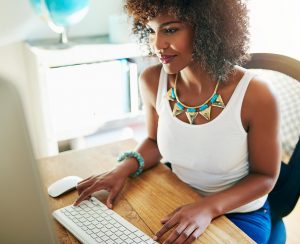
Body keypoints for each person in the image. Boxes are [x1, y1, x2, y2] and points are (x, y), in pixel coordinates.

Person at [75, 0, 281, 243]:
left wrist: (208, 207)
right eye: (152, 30)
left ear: (207, 27)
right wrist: (122, 169)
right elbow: (154, 141)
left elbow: (265, 177)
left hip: (238, 213)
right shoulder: (152, 80)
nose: (157, 44)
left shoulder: (256, 94)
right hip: (177, 196)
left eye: (171, 30)